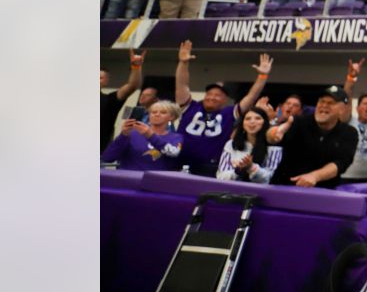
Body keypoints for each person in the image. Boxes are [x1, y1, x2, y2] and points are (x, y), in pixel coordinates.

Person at [174, 40, 273, 176]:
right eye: (209, 94)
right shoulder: (190, 107)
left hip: (210, 166)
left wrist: (262, 76)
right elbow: (182, 85)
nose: (212, 97)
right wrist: (183, 63)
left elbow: (251, 96)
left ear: (225, 100)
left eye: (218, 95)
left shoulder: (228, 113)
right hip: (179, 161)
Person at [268, 86, 358, 188]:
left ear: (342, 109)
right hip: (284, 188)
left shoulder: (349, 133)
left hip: (322, 194)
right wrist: (273, 134)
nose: (324, 105)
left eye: (330, 103)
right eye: (321, 101)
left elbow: (341, 163)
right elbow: (272, 137)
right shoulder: (298, 123)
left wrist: (315, 176)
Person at [101, 100, 184, 171]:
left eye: (163, 112)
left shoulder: (176, 138)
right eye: (153, 112)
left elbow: (173, 153)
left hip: (158, 183)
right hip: (129, 180)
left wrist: (150, 136)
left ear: (172, 117)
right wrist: (123, 135)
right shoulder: (132, 133)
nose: (157, 114)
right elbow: (108, 158)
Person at [215, 106, 281, 184]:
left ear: (265, 123)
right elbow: (221, 177)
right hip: (233, 192)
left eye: (257, 118)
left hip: (261, 193)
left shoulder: (274, 147)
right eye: (248, 119)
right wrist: (238, 170)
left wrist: (251, 167)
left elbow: (270, 178)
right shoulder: (231, 144)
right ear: (243, 124)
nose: (252, 122)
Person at [100, 49, 146, 151]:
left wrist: (136, 67)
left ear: (106, 81)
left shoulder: (109, 100)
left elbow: (132, 86)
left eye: (100, 78)